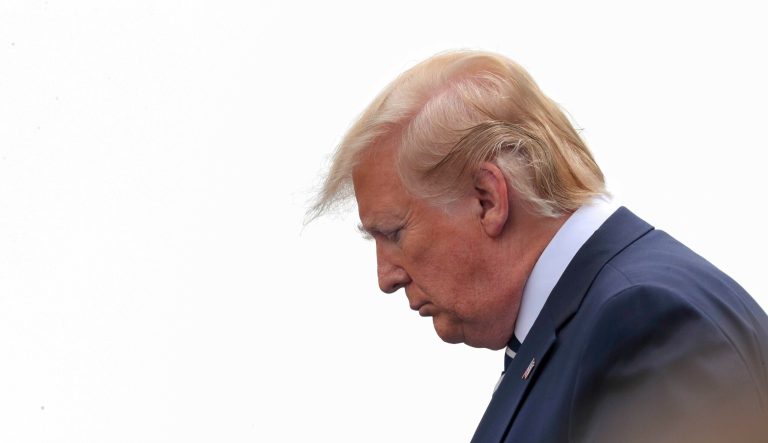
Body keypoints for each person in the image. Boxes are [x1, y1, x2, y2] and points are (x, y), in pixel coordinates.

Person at [308, 50, 768, 442]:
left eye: (393, 233)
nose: (386, 277)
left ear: (488, 199)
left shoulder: (644, 322)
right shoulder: (592, 320)